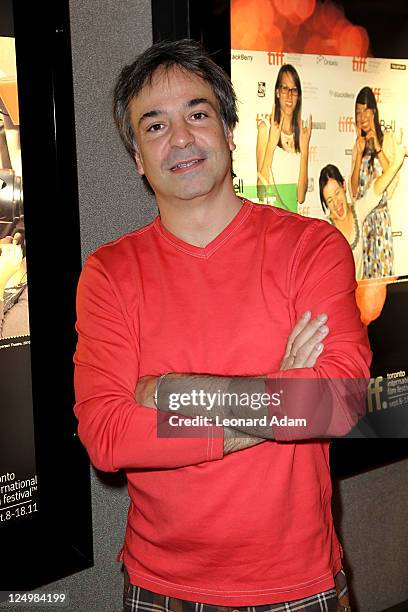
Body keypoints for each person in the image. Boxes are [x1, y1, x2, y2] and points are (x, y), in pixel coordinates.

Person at [74, 40, 371, 612]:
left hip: (297, 582)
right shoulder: (109, 274)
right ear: (138, 156)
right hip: (162, 587)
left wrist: (164, 394)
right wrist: (279, 391)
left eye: (198, 113)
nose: (180, 138)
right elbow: (108, 437)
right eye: (155, 125)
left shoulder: (311, 248)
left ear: (230, 133)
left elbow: (336, 403)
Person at [319, 137, 407, 281]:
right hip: (338, 298)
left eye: (337, 193)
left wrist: (396, 162)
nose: (336, 203)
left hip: (361, 294)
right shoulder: (325, 228)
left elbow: (376, 189)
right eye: (329, 200)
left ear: (343, 186)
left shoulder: (357, 210)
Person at [350, 86, 398, 278]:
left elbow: (392, 176)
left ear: (374, 112)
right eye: (358, 112)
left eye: (366, 111)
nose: (362, 117)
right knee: (365, 282)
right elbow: (352, 192)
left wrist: (377, 147)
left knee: (383, 281)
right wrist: (359, 153)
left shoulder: (387, 139)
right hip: (363, 222)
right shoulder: (357, 146)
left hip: (381, 222)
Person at [256, 64, 312, 212]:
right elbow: (260, 192)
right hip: (271, 222)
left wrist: (305, 152)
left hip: (292, 221)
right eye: (285, 88)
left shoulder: (301, 136)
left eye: (294, 90)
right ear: (277, 92)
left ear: (298, 96)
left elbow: (300, 197)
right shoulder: (265, 129)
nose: (289, 95)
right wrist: (271, 146)